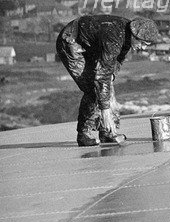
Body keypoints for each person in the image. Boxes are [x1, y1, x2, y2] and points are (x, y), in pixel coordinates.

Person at [56, 15, 162, 146]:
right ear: (134, 35)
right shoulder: (114, 38)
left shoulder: (126, 37)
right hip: (71, 42)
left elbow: (117, 61)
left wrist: (112, 76)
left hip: (92, 45)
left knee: (107, 86)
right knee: (93, 89)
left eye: (147, 45)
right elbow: (101, 77)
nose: (143, 48)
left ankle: (107, 132)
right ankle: (84, 134)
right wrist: (105, 111)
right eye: (143, 43)